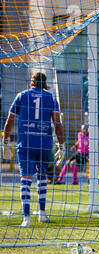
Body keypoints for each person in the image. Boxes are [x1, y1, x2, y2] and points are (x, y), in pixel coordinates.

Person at [2, 72, 65, 227]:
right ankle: (42, 214)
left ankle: (27, 218)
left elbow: (10, 119)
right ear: (45, 83)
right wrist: (61, 145)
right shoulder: (51, 98)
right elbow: (57, 123)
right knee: (42, 175)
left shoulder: (22, 95)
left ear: (32, 82)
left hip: (26, 142)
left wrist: (4, 141)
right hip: (44, 142)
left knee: (26, 178)